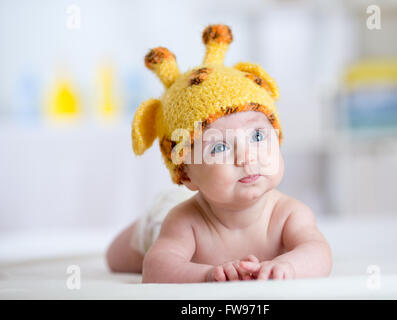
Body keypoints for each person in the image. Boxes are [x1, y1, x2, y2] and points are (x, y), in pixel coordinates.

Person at [106, 24, 332, 283]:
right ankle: (143, 225)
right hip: (160, 217)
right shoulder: (184, 221)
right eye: (219, 147)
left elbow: (318, 253)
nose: (246, 157)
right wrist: (207, 274)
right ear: (187, 174)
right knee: (116, 259)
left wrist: (289, 267)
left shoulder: (289, 214)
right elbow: (155, 270)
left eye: (257, 136)